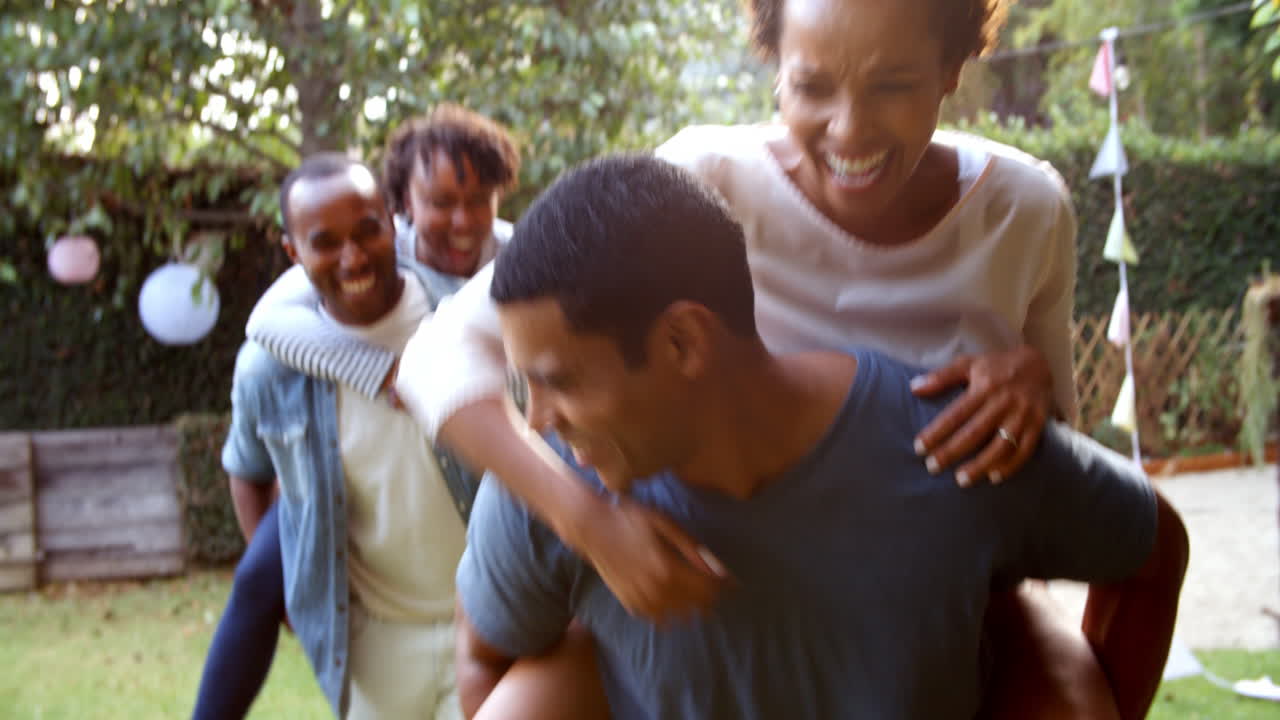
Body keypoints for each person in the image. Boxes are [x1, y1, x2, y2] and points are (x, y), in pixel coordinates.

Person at [396, 0, 1109, 714]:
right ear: (773, 67)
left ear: (952, 69)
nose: (849, 127)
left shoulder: (1025, 210)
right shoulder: (705, 180)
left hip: (915, 634)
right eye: (812, 86)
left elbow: (1049, 465)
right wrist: (588, 522)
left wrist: (1030, 384)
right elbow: (437, 360)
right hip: (709, 622)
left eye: (892, 84)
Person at [454, 153, 1188, 719]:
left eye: (562, 382)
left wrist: (1087, 702)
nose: (539, 418)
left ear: (683, 343)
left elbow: (1154, 552)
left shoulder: (954, 442)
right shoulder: (548, 493)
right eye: (527, 388)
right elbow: (485, 659)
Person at [191, 105, 518, 720]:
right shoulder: (272, 363)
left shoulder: (469, 317)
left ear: (390, 224)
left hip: (490, 623)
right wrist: (296, 584)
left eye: (366, 231)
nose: (353, 256)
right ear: (292, 251)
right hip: (374, 648)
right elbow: (249, 471)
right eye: (325, 243)